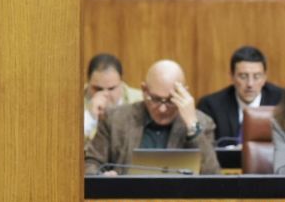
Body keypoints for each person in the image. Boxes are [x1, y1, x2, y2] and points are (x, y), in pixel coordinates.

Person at [85, 59, 221, 175]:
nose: (162, 109)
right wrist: (101, 177)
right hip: (125, 197)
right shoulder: (115, 119)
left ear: (184, 94)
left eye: (170, 100)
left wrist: (192, 126)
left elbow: (213, 176)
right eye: (156, 99)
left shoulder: (202, 122)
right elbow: (91, 163)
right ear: (144, 90)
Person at [195, 46, 285, 145]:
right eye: (243, 76)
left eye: (257, 76)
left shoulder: (282, 101)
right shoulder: (211, 106)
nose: (250, 84)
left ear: (264, 78)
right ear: (232, 77)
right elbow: (204, 148)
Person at [83, 53, 143, 141]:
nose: (105, 94)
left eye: (111, 88)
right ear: (88, 83)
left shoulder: (141, 101)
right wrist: (90, 117)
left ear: (121, 83)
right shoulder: (72, 103)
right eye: (98, 89)